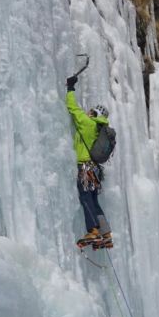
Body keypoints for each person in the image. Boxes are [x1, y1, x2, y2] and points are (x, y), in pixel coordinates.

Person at [66, 74, 112, 248]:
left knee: (85, 198)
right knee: (93, 200)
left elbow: (73, 109)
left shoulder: (89, 123)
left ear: (94, 114)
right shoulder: (99, 127)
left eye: (91, 111)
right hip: (95, 170)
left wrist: (70, 88)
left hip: (85, 168)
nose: (87, 111)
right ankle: (105, 234)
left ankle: (92, 231)